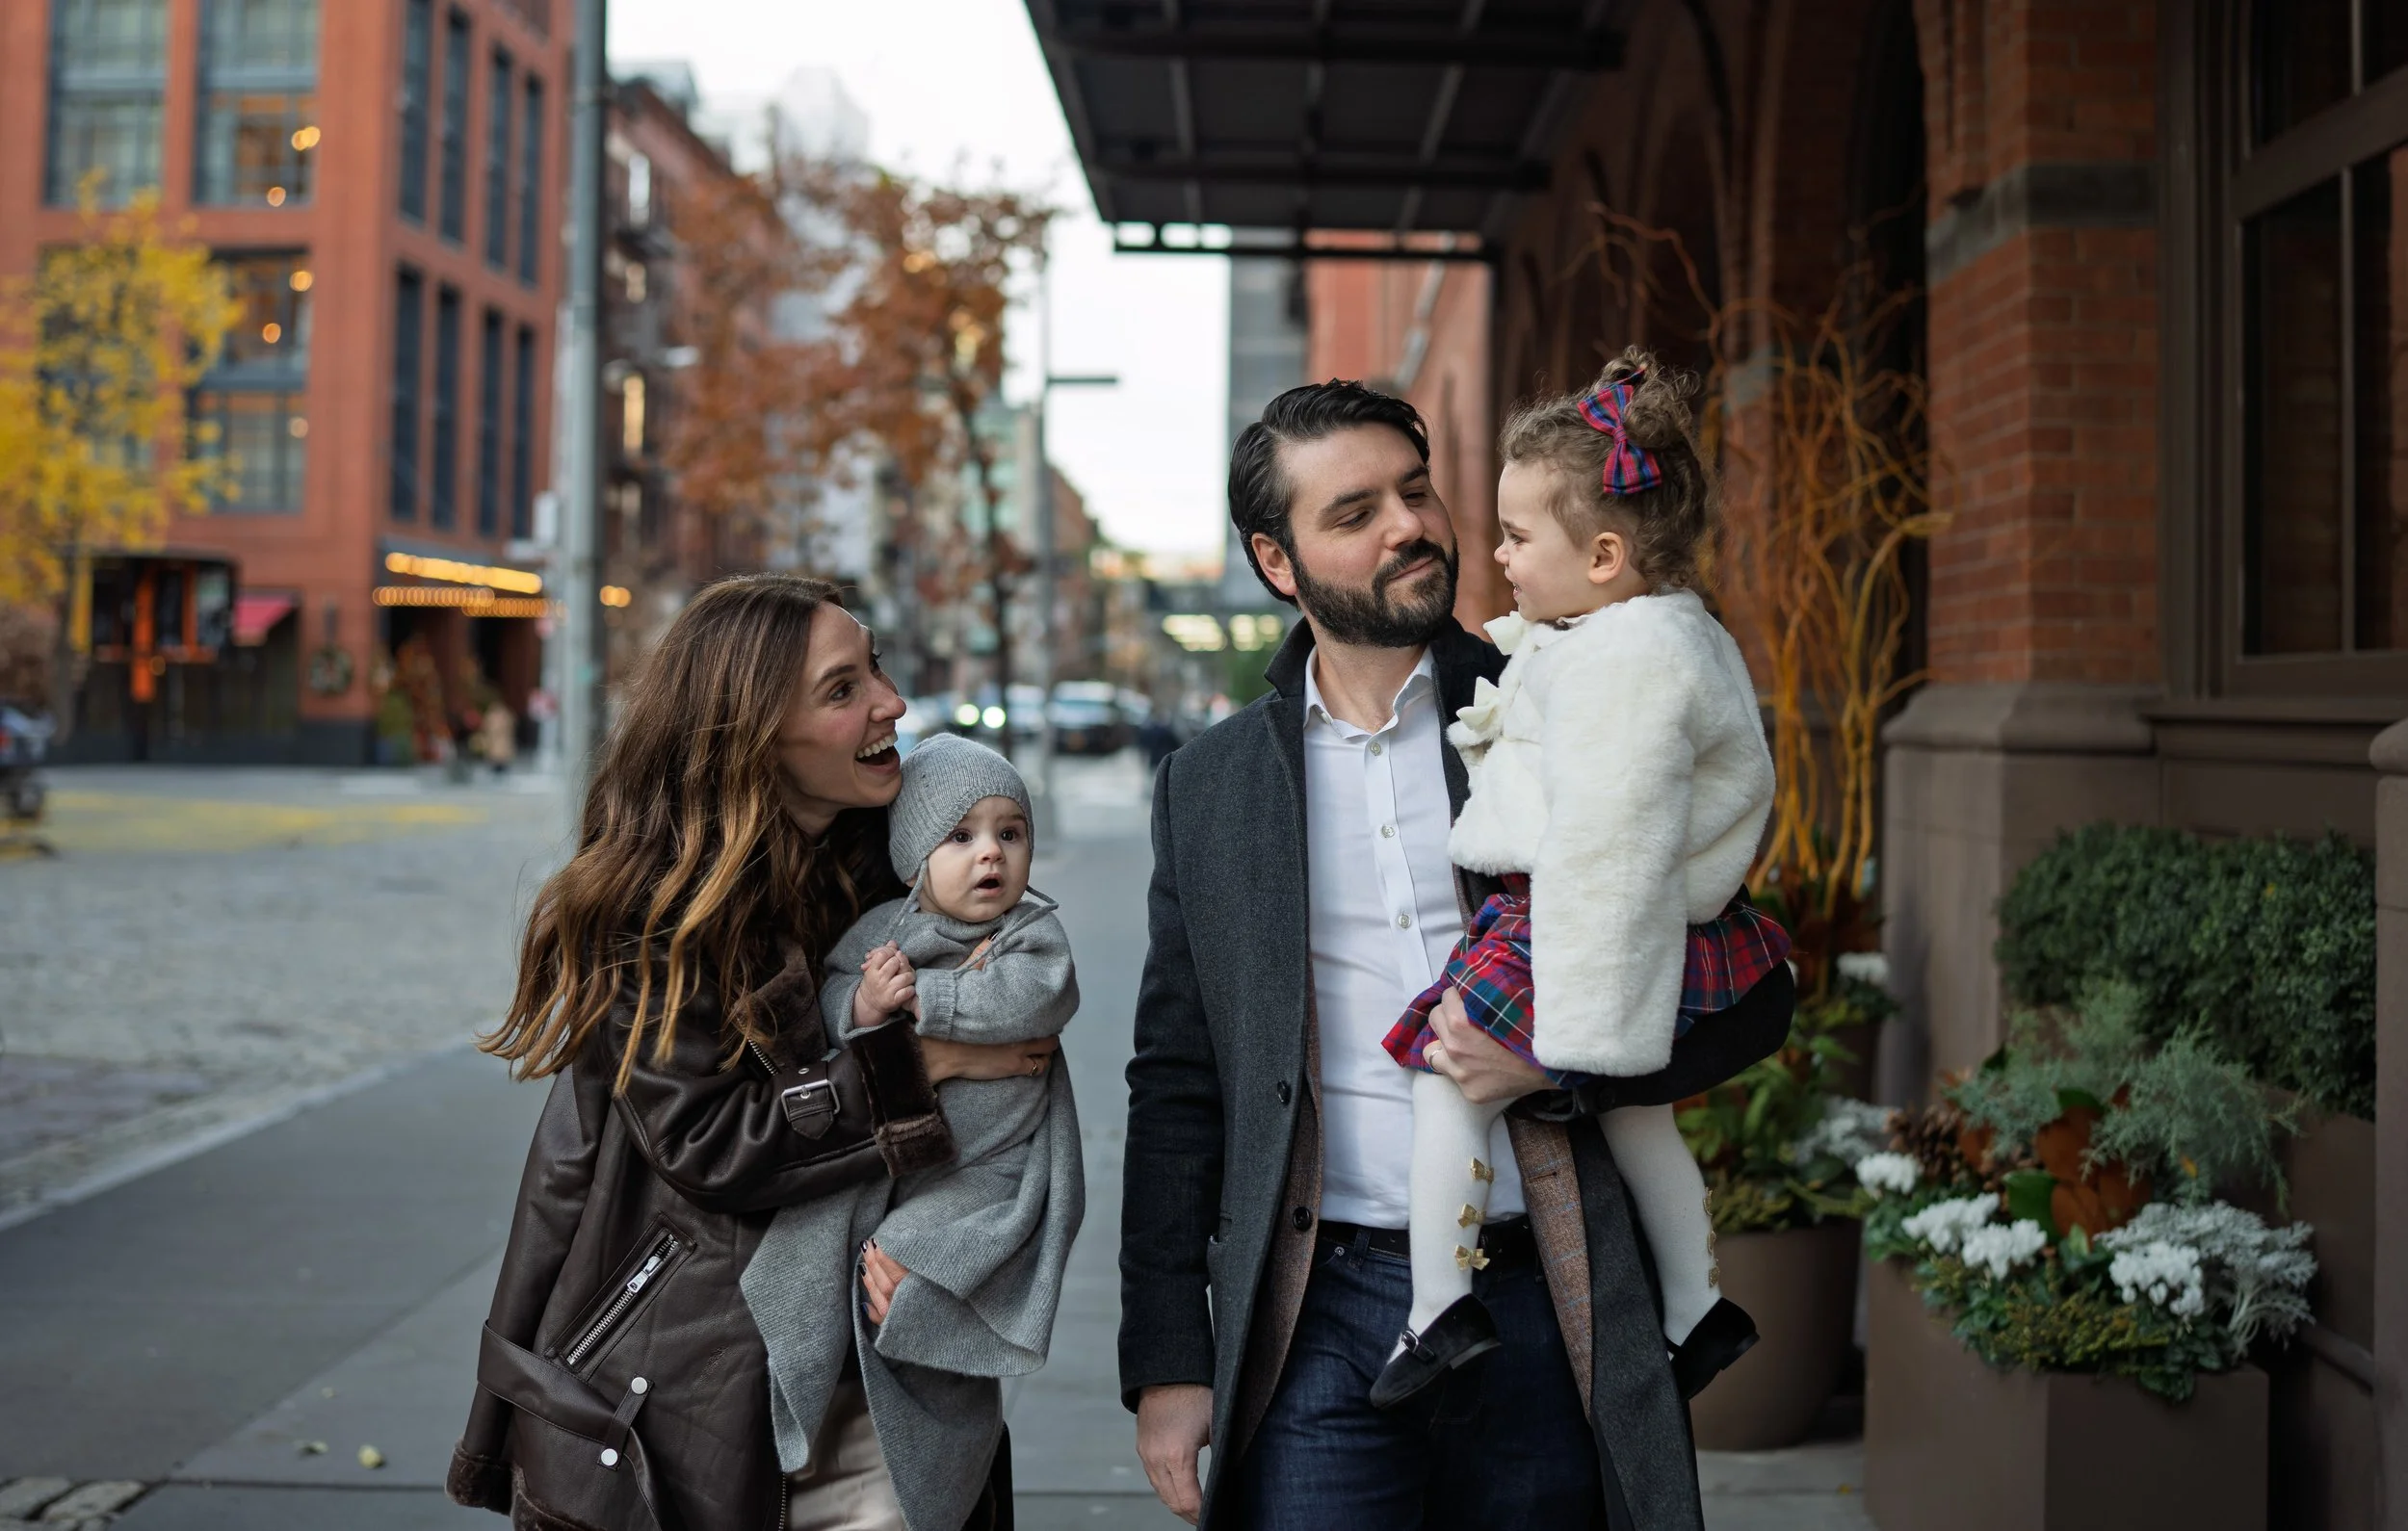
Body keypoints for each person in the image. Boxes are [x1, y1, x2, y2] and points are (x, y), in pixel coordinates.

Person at [1121, 380, 1796, 1530]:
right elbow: (1177, 1082)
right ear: (1277, 562)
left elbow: (1753, 997)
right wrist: (1168, 1362)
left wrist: (1558, 1068)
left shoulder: (1565, 696)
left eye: (1415, 490)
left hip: (1547, 1293)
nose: (1408, 525)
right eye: (1353, 513)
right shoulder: (1212, 787)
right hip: (1312, 1320)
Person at [446, 575, 1058, 1531]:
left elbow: (1019, 1055)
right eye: (842, 687)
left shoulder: (896, 867)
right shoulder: (665, 917)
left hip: (886, 1373)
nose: (890, 704)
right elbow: (710, 1144)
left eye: (877, 669)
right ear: (753, 735)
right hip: (698, 1384)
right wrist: (921, 1069)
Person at [1370, 350, 1787, 1411]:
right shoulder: (1637, 630)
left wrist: (1580, 1044)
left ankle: (1434, 1310)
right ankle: (1698, 1310)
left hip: (1588, 923)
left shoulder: (1628, 662)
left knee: (1445, 1075)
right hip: (1647, 917)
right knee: (1643, 1124)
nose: (1497, 555)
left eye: (1516, 537)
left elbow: (1610, 841)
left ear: (1602, 555)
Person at [744, 734, 1084, 1531]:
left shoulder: (1029, 935)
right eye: (960, 837)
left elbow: (1038, 997)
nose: (990, 854)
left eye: (1011, 833)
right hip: (896, 1166)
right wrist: (863, 1009)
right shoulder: (879, 937)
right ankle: (819, 1381)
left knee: (922, 1258)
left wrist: (931, 1003)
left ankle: (930, 1445)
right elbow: (829, 1008)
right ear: (912, 860)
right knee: (831, 1254)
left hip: (988, 1172)